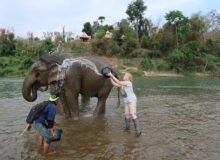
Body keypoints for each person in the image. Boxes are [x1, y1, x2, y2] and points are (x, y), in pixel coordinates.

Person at [106, 72, 141, 137]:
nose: (123, 76)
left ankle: (138, 131)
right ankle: (127, 128)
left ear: (128, 77)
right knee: (126, 115)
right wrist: (110, 78)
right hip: (127, 101)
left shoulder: (128, 83)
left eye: (125, 75)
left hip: (132, 100)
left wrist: (111, 75)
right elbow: (115, 84)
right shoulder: (123, 83)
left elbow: (118, 82)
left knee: (132, 114)